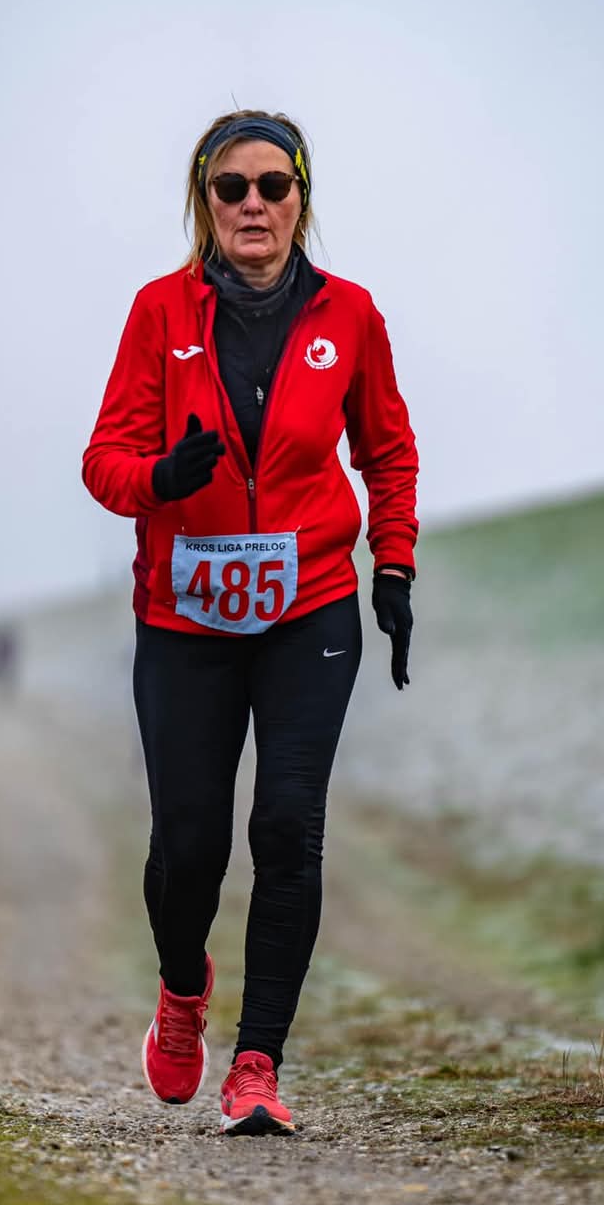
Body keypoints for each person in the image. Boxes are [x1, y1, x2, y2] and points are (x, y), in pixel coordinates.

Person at [82, 109, 418, 1135]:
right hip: (185, 616)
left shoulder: (350, 315)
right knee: (190, 845)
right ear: (206, 202)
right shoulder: (159, 312)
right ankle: (183, 991)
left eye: (275, 185)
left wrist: (392, 566)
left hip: (309, 606)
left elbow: (387, 451)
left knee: (286, 825)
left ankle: (258, 1064)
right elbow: (103, 462)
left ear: (301, 199)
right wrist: (160, 477)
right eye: (232, 187)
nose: (255, 204)